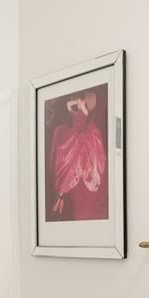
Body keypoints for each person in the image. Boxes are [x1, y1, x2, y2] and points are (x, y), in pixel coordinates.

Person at [49, 89, 108, 220]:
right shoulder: (73, 110)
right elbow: (69, 106)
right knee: (68, 151)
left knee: (81, 152)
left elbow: (86, 114)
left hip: (82, 132)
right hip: (74, 132)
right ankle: (62, 198)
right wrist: (76, 102)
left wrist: (82, 106)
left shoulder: (86, 111)